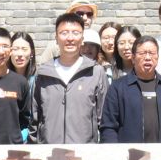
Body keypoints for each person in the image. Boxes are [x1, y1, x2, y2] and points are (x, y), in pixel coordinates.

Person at [29, 13, 107, 145]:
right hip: (49, 151)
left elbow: (103, 118)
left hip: (84, 151)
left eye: (75, 33)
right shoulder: (43, 73)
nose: (70, 38)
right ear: (56, 38)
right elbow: (34, 120)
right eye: (64, 33)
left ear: (82, 39)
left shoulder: (96, 72)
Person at [102, 36, 161, 143]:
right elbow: (108, 127)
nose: (148, 57)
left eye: (152, 53)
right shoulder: (118, 87)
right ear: (133, 58)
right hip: (129, 152)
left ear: (158, 57)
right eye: (142, 53)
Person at [36, 0, 101, 64]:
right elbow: (43, 67)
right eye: (80, 14)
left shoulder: (97, 42)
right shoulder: (55, 46)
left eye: (89, 14)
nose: (85, 18)